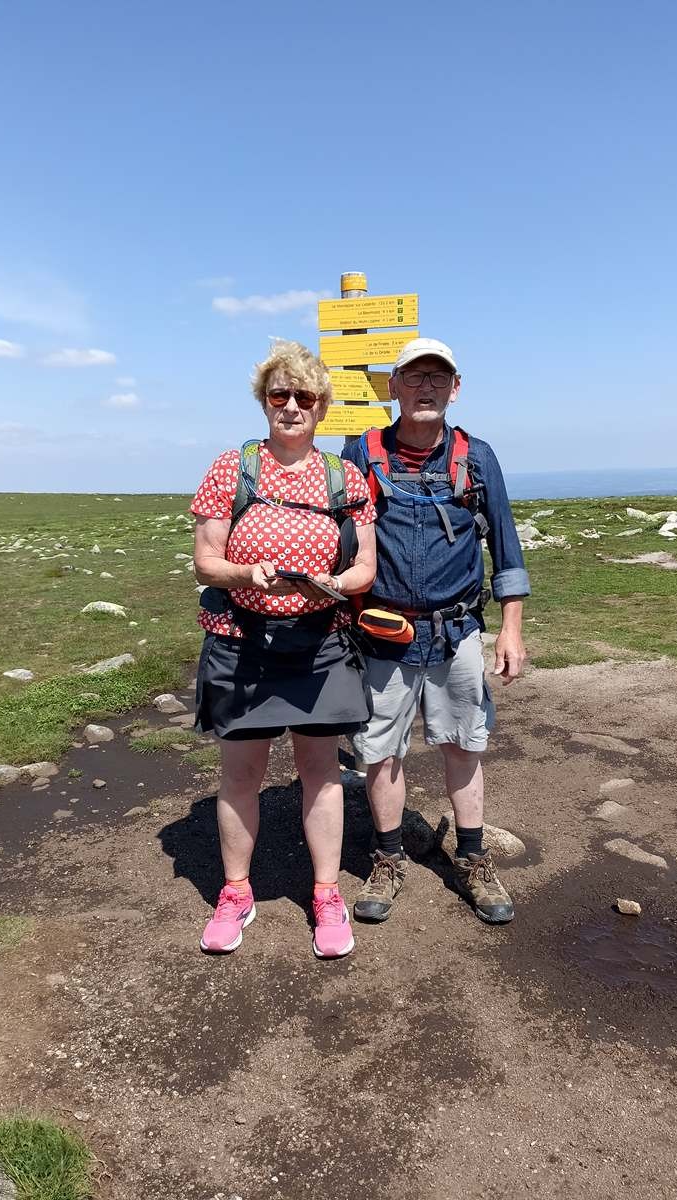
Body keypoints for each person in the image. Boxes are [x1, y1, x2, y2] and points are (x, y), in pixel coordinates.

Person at [191, 341, 376, 958]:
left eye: (304, 396)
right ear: (264, 402)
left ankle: (326, 895)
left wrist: (335, 584)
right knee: (241, 774)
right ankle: (236, 893)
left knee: (321, 773)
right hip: (241, 643)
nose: (292, 406)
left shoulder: (345, 478)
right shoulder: (231, 469)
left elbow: (365, 568)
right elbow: (206, 561)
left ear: (322, 407)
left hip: (319, 644)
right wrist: (247, 576)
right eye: (279, 395)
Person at [342, 336, 530, 925]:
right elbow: (338, 539)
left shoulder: (477, 457)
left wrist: (510, 629)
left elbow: (505, 542)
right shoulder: (360, 453)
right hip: (383, 635)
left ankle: (473, 859)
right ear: (393, 386)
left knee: (463, 744)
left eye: (438, 377)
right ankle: (389, 858)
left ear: (455, 387)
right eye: (414, 377)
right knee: (381, 751)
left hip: (456, 633)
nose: (426, 387)